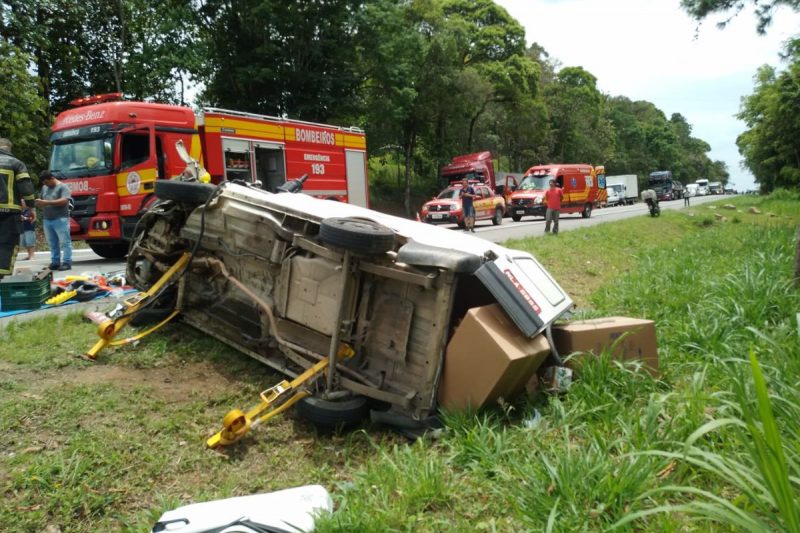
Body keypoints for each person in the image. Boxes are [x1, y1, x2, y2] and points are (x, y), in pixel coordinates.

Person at [0, 138, 35, 279]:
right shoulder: (16, 163)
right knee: (8, 243)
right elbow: (26, 187)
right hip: (9, 212)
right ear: (9, 148)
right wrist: (31, 208)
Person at [35, 170, 73, 271]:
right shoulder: (44, 187)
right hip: (47, 219)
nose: (46, 185)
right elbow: (42, 199)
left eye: (47, 182)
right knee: (52, 242)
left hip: (61, 219)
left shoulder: (63, 187)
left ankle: (67, 262)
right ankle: (55, 262)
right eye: (44, 183)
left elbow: (65, 200)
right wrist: (38, 202)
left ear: (52, 178)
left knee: (65, 242)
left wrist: (47, 202)